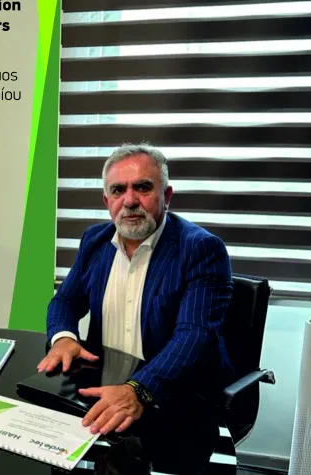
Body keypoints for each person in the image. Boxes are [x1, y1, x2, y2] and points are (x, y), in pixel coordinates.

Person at [38, 143, 233, 437]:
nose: (129, 201)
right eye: (118, 190)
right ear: (107, 201)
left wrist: (139, 390)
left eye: (142, 187)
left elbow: (195, 334)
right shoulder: (95, 240)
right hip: (107, 388)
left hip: (178, 399)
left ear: (166, 196)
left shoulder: (200, 248)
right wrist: (64, 337)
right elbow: (65, 301)